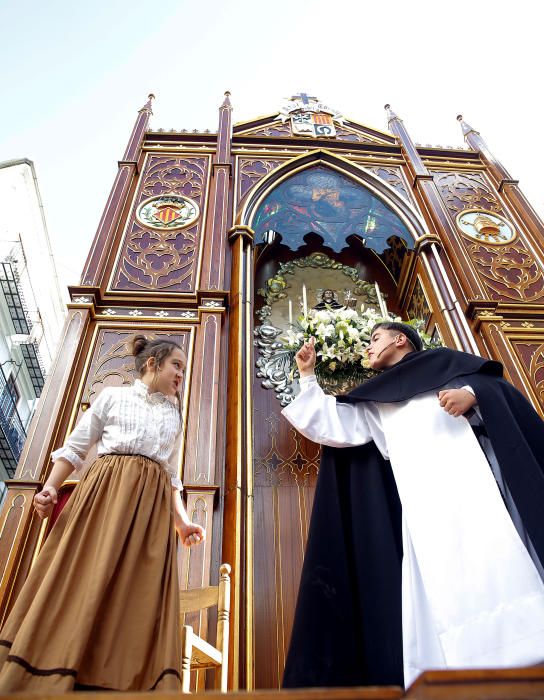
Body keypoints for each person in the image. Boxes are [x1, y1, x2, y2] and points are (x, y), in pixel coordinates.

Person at [281, 322, 544, 689]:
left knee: (495, 559)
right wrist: (308, 377)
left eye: (374, 339)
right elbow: (335, 426)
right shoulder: (376, 399)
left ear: (400, 339)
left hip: (472, 489)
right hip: (421, 507)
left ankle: (527, 652)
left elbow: (498, 392)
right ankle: (452, 675)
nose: (367, 349)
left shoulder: (446, 365)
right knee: (437, 588)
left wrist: (471, 395)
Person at [0, 335, 205, 692]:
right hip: (105, 499)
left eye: (184, 370)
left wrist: (181, 521)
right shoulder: (113, 397)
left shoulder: (174, 413)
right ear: (152, 363)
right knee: (83, 579)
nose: (181, 376)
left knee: (137, 594)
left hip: (150, 518)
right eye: (177, 366)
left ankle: (116, 683)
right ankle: (51, 668)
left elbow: (171, 473)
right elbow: (76, 448)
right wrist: (49, 487)